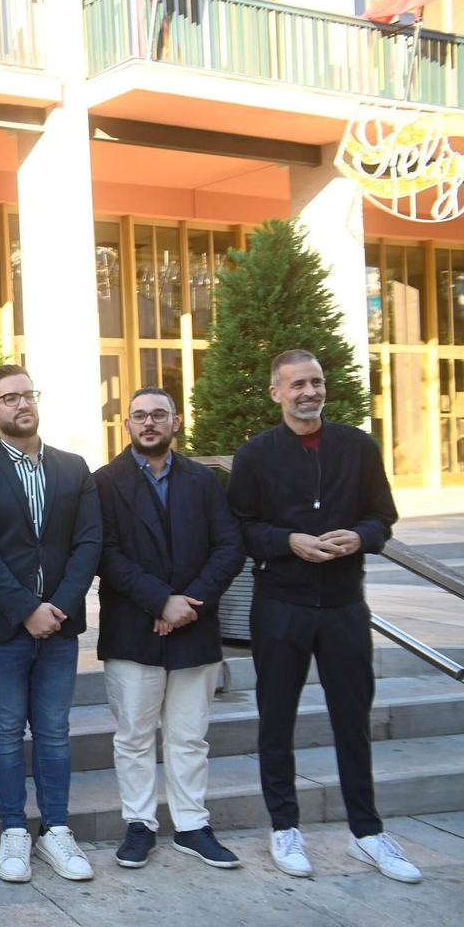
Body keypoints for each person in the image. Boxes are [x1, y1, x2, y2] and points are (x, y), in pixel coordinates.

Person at [228, 349, 419, 883]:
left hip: (344, 607)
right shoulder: (256, 454)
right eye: (297, 385)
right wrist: (287, 541)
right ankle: (284, 827)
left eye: (316, 383)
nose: (309, 392)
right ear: (276, 393)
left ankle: (367, 832)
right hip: (280, 604)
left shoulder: (358, 447)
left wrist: (361, 536)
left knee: (352, 721)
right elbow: (240, 527)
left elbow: (383, 516)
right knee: (277, 722)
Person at [95, 386, 245, 871]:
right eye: (140, 416)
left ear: (176, 422)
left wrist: (187, 604)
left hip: (194, 629)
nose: (150, 423)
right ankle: (139, 825)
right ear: (127, 426)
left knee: (188, 737)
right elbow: (106, 554)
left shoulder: (203, 481)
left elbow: (228, 547)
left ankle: (192, 825)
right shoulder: (104, 482)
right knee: (134, 736)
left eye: (159, 414)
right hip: (132, 629)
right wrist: (160, 600)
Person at [0, 364, 101, 884]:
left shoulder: (74, 468)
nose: (23, 404)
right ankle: (15, 830)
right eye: (10, 398)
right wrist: (26, 609)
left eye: (29, 394)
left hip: (60, 628)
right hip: (2, 628)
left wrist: (58, 608)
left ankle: (58, 831)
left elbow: (89, 543)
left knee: (54, 731)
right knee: (3, 732)